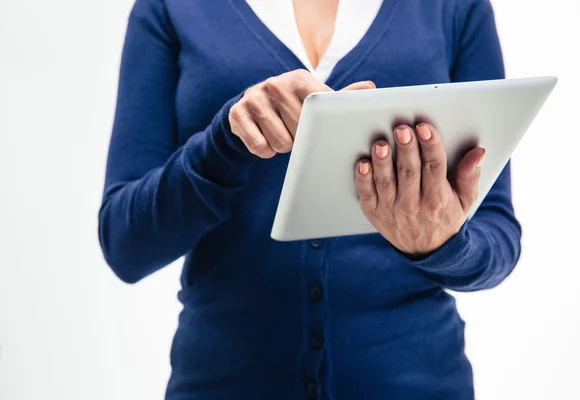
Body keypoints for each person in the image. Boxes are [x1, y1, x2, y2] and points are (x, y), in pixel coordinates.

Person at [98, 0, 521, 398]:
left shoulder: (454, 7)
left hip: (419, 383)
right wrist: (224, 143)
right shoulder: (171, 7)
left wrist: (441, 244)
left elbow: (499, 239)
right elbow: (125, 244)